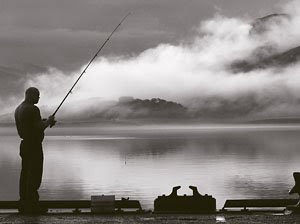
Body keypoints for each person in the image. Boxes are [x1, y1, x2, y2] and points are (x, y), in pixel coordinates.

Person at [15, 87, 56, 213]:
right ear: (30, 95)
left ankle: (24, 203)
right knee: (34, 175)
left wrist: (45, 122)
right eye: (37, 95)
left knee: (25, 174)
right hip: (33, 146)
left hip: (24, 145)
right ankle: (32, 205)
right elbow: (38, 127)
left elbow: (32, 124)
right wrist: (48, 121)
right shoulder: (33, 109)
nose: (38, 98)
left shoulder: (19, 108)